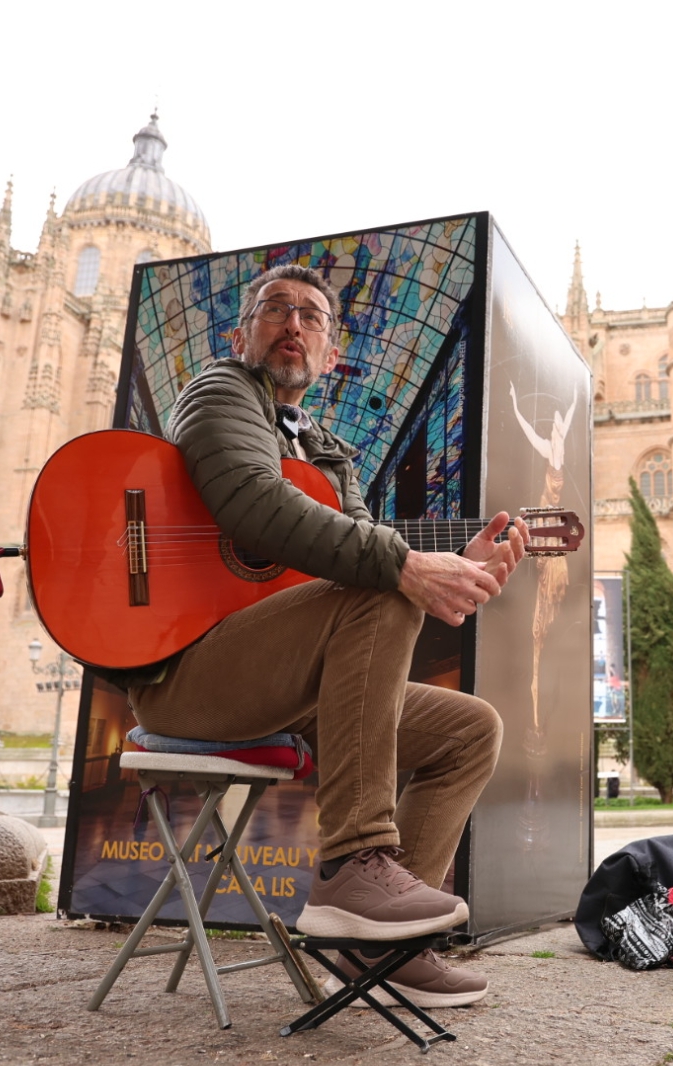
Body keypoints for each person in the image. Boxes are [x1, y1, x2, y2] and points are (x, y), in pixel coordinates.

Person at [122, 265, 529, 1009]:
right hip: (186, 679)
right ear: (238, 334)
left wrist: (460, 571)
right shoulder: (220, 391)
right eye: (275, 308)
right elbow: (252, 505)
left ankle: (387, 949)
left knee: (472, 730)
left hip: (284, 688)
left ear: (331, 356)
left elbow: (362, 550)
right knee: (385, 577)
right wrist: (407, 567)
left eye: (312, 316)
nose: (294, 323)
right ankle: (353, 864)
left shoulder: (329, 450)